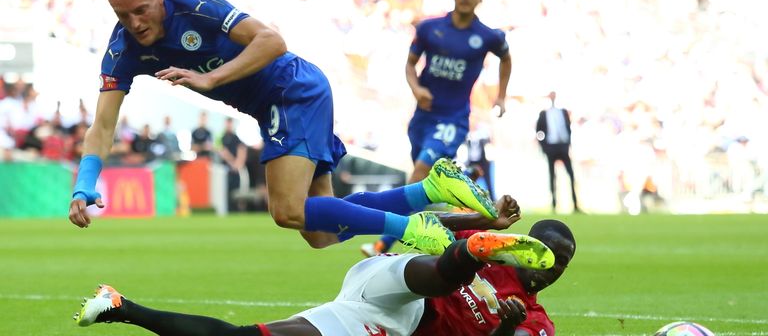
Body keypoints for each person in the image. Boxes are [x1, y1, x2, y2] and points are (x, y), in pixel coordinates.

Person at [67, 0, 497, 254]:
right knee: (321, 235)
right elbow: (103, 126)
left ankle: (412, 230)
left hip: (291, 90)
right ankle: (430, 191)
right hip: (278, 103)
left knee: (287, 211)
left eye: (141, 10)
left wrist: (211, 78)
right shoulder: (123, 49)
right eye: (122, 15)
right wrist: (85, 183)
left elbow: (272, 40)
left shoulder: (194, 7)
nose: (134, 23)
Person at [75, 205, 575, 335]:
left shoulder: (534, 321)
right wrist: (476, 226)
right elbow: (424, 228)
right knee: (446, 268)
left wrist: (507, 327)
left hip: (382, 324)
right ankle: (465, 257)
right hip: (399, 283)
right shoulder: (498, 264)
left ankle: (121, 305)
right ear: (530, 249)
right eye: (546, 255)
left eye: (561, 265)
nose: (549, 269)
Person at [363, 0, 512, 256]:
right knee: (424, 182)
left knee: (418, 174)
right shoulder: (429, 29)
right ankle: (464, 181)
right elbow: (409, 65)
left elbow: (506, 59)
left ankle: (384, 242)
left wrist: (502, 97)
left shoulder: (488, 36)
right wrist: (416, 88)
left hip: (453, 119)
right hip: (422, 118)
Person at [536, 91, 580, 213]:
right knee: (552, 176)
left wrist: (568, 144)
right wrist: (544, 147)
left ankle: (575, 204)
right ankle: (554, 205)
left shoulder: (563, 112)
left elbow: (568, 128)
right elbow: (539, 131)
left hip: (563, 146)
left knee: (571, 175)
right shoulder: (544, 113)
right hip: (551, 147)